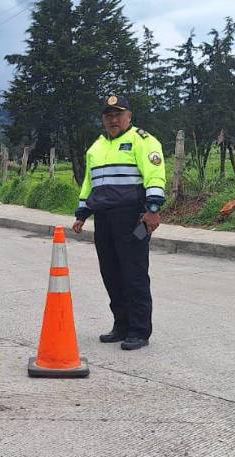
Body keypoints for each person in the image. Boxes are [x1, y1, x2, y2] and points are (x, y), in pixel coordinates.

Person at [71, 95, 166, 351]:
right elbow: (89, 183)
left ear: (129, 116)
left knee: (134, 274)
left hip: (133, 217)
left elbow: (155, 176)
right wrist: (82, 213)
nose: (113, 120)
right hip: (104, 219)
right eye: (108, 115)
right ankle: (121, 325)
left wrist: (153, 210)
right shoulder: (96, 147)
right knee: (111, 274)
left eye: (118, 114)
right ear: (103, 119)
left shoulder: (143, 141)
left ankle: (139, 330)